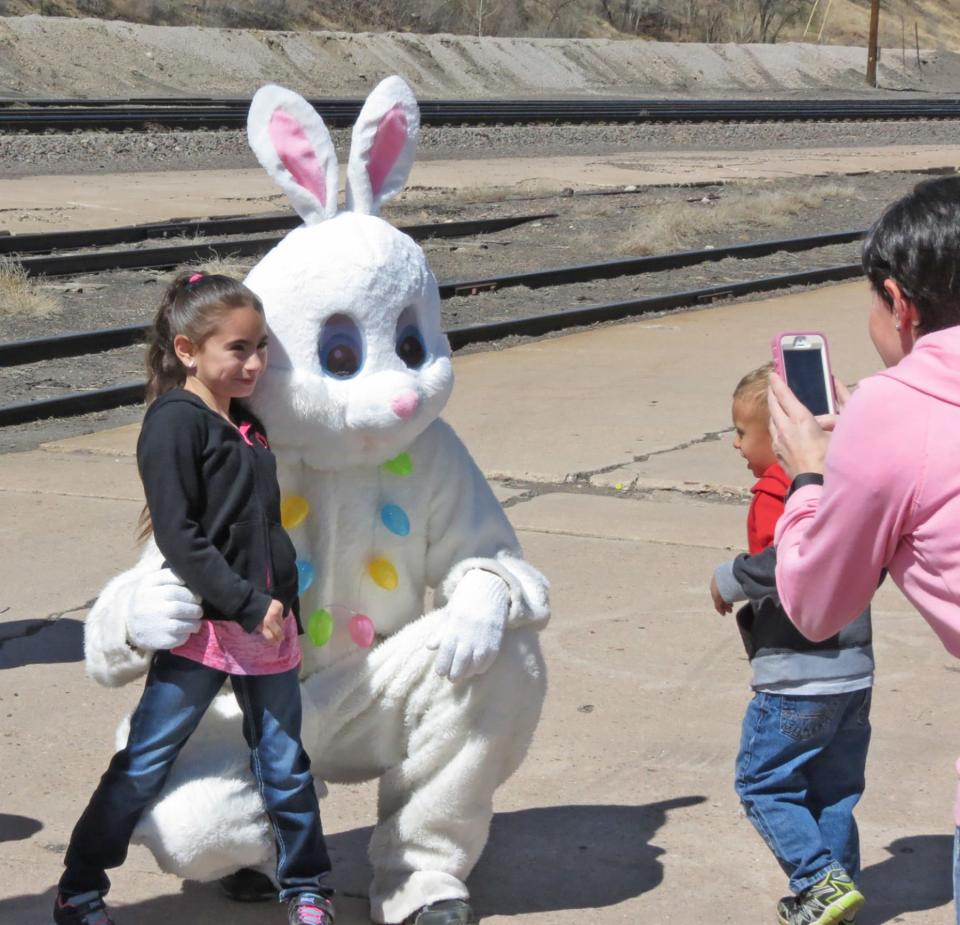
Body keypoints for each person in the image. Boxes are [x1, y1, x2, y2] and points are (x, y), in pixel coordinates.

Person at [53, 272, 335, 925]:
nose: (255, 362)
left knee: (286, 765)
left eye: (261, 346)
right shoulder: (173, 424)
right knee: (144, 762)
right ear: (187, 351)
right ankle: (79, 887)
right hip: (208, 630)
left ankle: (307, 885)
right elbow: (180, 537)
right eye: (237, 349)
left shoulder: (244, 421)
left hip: (268, 626)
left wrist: (280, 600)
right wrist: (244, 600)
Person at [767, 175, 960, 924]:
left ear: (899, 303)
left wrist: (811, 474)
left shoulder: (891, 407)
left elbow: (816, 605)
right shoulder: (890, 414)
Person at [711, 363, 873, 925]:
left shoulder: (780, 491)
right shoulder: (851, 484)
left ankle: (818, 880)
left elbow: (790, 562)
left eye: (741, 431)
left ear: (777, 434)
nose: (735, 442)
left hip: (797, 677)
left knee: (763, 782)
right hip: (853, 674)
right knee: (833, 790)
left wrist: (729, 578)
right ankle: (838, 896)